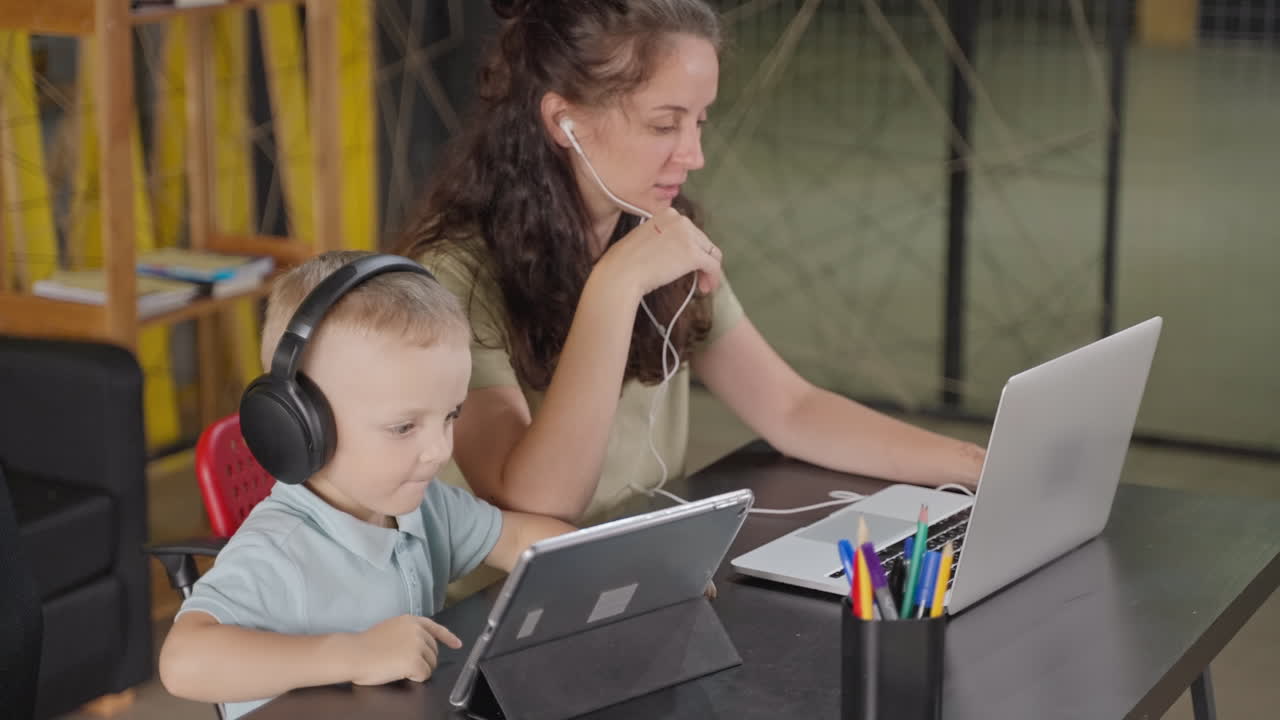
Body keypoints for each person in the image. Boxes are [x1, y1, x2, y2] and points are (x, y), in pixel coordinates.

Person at [398, 0, 986, 526]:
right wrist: (615, 285)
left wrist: (981, 466)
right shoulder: (452, 278)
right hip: (500, 610)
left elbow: (790, 407)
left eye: (699, 121)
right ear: (564, 121)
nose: (694, 155)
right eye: (664, 124)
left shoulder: (660, 236)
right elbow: (539, 504)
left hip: (645, 578)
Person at [157, 251, 574, 720]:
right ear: (301, 426)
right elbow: (182, 663)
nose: (439, 450)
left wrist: (612, 563)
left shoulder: (424, 507)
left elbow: (519, 539)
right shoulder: (281, 552)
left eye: (450, 415)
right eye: (403, 428)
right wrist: (354, 654)